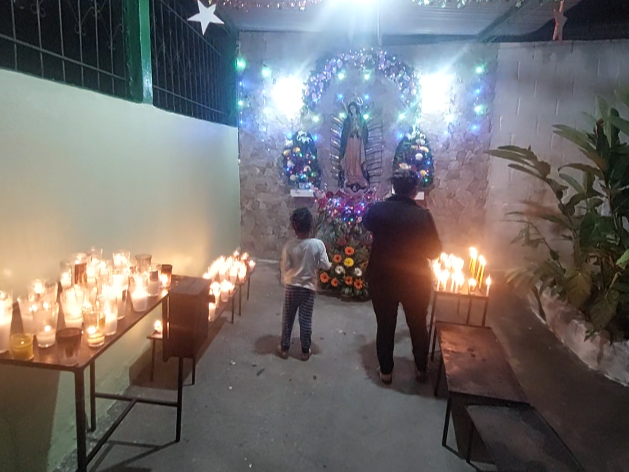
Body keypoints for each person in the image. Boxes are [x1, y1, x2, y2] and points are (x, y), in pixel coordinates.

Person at [363, 169, 442, 385]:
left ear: (394, 187)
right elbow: (435, 251)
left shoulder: (378, 210)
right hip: (414, 281)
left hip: (382, 278)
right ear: (415, 190)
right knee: (417, 324)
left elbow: (366, 223)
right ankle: (421, 369)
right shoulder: (423, 216)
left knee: (385, 324)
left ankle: (386, 372)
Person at [279, 208, 332, 361]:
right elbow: (325, 265)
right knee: (305, 319)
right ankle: (304, 350)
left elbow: (286, 266)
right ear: (311, 225)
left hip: (291, 287)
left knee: (288, 318)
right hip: (308, 289)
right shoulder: (317, 244)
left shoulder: (289, 246)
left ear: (293, 227)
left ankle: (284, 348)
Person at [340, 101, 370, 192]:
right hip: (350, 141)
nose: (352, 110)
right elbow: (344, 132)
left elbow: (365, 131)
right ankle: (349, 175)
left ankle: (358, 175)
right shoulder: (347, 120)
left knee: (357, 158)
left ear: (356, 108)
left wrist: (359, 132)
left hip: (358, 141)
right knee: (350, 158)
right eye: (351, 108)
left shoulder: (361, 119)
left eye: (354, 108)